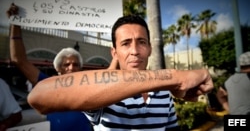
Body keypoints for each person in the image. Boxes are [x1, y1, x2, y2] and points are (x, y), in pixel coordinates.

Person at [27, 15, 214, 130]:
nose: (135, 51)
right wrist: (175, 76)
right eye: (125, 44)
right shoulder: (104, 92)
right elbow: (38, 96)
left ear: (149, 48)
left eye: (141, 42)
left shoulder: (164, 92)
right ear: (114, 53)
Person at [7, 3, 93, 131]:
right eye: (66, 64)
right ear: (59, 69)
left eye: (75, 64)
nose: (71, 67)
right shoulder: (48, 85)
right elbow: (18, 59)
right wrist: (15, 23)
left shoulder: (90, 88)